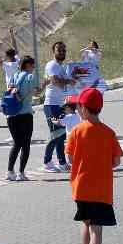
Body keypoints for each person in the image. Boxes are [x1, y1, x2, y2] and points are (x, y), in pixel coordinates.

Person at [66, 87, 122, 244]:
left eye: (78, 106)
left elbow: (70, 158)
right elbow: (116, 161)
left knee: (86, 224)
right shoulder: (109, 133)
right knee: (97, 230)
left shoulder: (76, 132)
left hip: (81, 187)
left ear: (84, 109)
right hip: (102, 189)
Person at [42, 41, 74, 173]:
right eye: (59, 50)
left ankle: (62, 163)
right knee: (56, 134)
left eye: (63, 50)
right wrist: (67, 81)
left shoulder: (62, 67)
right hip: (51, 104)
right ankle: (47, 162)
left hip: (60, 104)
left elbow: (67, 85)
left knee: (61, 135)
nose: (62, 52)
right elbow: (56, 82)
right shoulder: (52, 65)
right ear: (53, 51)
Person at [5, 55, 38, 182]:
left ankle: (9, 171)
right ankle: (21, 173)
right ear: (28, 65)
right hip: (25, 114)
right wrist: (45, 85)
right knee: (26, 144)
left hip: (12, 114)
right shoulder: (30, 77)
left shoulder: (14, 75)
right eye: (33, 64)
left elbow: (9, 90)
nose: (34, 67)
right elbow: (36, 92)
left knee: (16, 143)